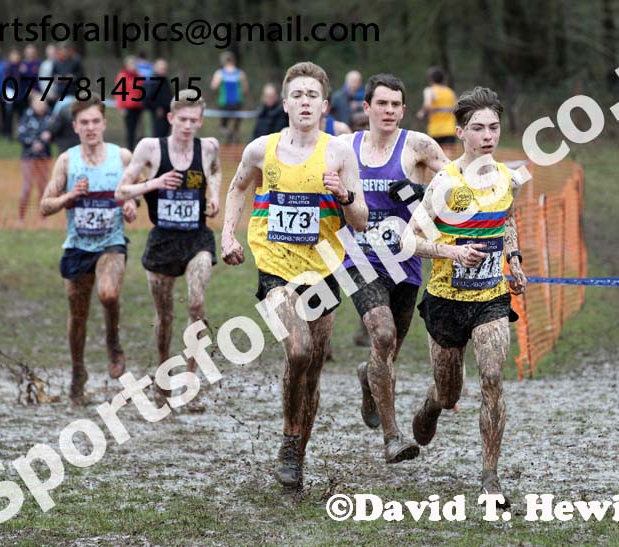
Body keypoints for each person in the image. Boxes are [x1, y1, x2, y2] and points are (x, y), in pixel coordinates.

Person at [221, 62, 367, 489]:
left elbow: (360, 220)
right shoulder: (260, 149)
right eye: (297, 95)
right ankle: (288, 438)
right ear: (285, 104)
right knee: (299, 351)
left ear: (325, 106)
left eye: (312, 96)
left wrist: (345, 195)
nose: (305, 102)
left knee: (313, 369)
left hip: (323, 268)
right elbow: (237, 187)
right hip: (275, 266)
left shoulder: (339, 153)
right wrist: (228, 235)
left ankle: (297, 457)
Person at [404, 86, 526, 506]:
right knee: (450, 392)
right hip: (446, 300)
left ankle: (490, 477)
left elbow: (507, 220)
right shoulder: (444, 182)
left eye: (493, 127)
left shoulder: (507, 177)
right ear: (460, 132)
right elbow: (408, 240)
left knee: (491, 378)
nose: (487, 135)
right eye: (478, 128)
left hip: (490, 298)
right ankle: (432, 405)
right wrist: (452, 252)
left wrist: (514, 258)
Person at [337, 73, 450, 463]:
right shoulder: (345, 146)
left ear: (404, 110)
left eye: (395, 105)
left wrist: (419, 192)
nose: (388, 110)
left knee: (388, 351)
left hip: (405, 262)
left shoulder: (419, 145)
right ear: (366, 107)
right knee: (382, 335)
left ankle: (367, 376)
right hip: (358, 258)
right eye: (381, 103)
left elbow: (455, 185)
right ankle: (392, 437)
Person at [114, 89, 221, 410]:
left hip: (197, 238)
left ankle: (190, 384)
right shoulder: (150, 148)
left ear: (200, 121)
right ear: (171, 118)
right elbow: (121, 191)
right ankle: (163, 378)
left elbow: (215, 170)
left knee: (197, 303)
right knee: (165, 316)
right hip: (162, 240)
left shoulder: (209, 147)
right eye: (182, 119)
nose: (187, 126)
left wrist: (215, 196)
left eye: (193, 120)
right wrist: (154, 184)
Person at [39, 95, 138, 406]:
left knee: (108, 294)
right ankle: (78, 372)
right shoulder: (67, 161)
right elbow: (44, 206)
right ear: (75, 126)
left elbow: (137, 189)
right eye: (84, 122)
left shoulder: (122, 157)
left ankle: (113, 342)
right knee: (78, 316)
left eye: (96, 121)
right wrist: (68, 197)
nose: (91, 127)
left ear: (104, 123)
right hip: (77, 247)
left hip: (111, 243)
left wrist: (132, 203)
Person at [16, 91, 52, 224]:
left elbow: (54, 133)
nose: (41, 106)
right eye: (38, 104)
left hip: (44, 157)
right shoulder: (27, 116)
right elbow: (20, 135)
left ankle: (43, 217)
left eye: (43, 104)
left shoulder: (50, 117)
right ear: (32, 105)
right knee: (27, 188)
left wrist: (46, 139)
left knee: (43, 187)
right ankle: (20, 217)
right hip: (28, 157)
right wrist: (33, 143)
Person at [210, 51, 248, 144]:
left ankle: (230, 136)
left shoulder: (220, 73)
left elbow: (213, 86)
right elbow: (245, 89)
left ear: (223, 61)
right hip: (237, 102)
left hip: (224, 102)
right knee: (236, 126)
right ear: (233, 61)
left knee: (222, 126)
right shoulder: (240, 73)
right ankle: (234, 139)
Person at [416, 66, 457, 146]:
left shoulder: (430, 90)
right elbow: (457, 107)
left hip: (435, 130)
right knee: (449, 153)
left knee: (435, 153)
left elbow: (427, 103)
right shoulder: (450, 92)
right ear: (443, 79)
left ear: (430, 79)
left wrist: (422, 112)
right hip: (450, 129)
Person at [114, 56, 144, 151]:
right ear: (127, 65)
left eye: (135, 64)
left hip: (138, 106)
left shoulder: (139, 76)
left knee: (139, 130)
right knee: (130, 130)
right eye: (131, 64)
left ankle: (138, 150)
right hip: (128, 107)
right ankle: (130, 150)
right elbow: (119, 91)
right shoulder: (122, 76)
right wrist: (120, 107)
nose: (133, 66)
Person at [145, 58, 172, 138]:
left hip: (167, 110)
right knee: (158, 134)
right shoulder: (152, 81)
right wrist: (156, 108)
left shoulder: (165, 80)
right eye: (161, 69)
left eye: (165, 69)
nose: (163, 71)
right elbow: (147, 98)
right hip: (158, 113)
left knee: (165, 134)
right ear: (155, 68)